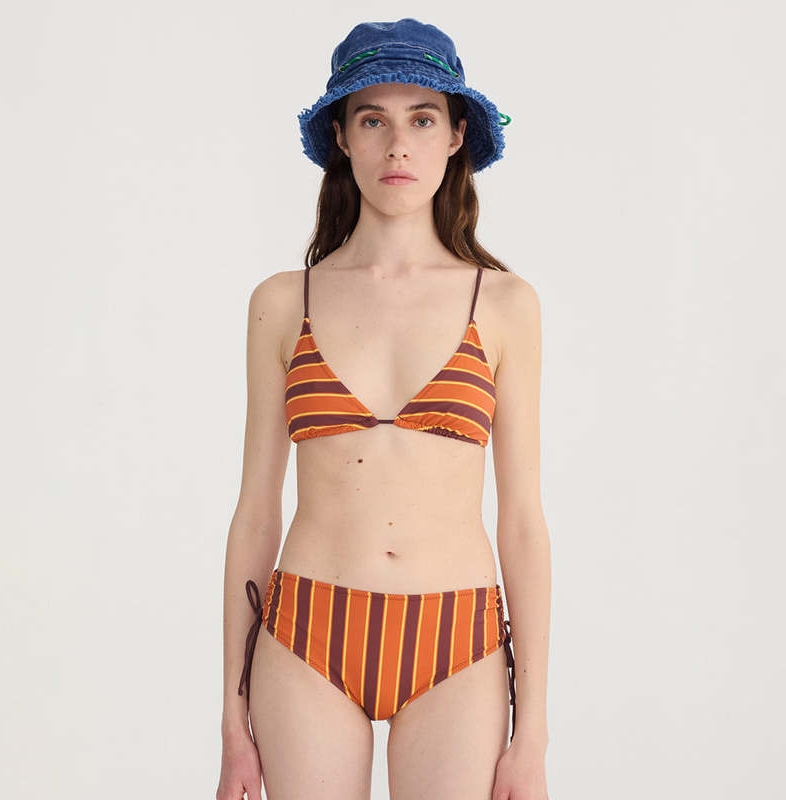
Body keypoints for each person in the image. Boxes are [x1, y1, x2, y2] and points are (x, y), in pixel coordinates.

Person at [216, 17, 551, 800]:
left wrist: (532, 732)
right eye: (373, 121)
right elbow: (256, 512)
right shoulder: (282, 302)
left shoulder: (505, 304)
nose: (398, 146)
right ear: (341, 136)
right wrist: (232, 718)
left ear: (456, 135)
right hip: (306, 635)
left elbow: (523, 520)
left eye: (422, 120)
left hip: (458, 643)